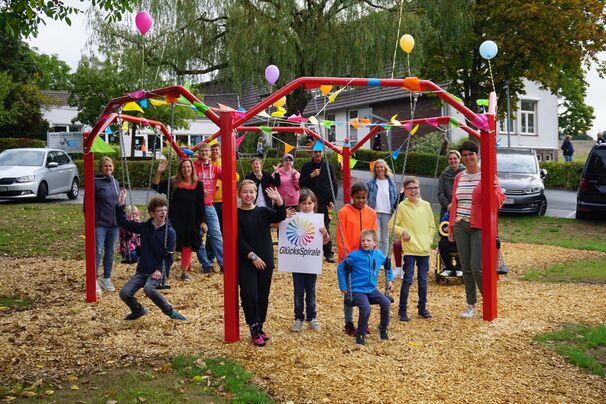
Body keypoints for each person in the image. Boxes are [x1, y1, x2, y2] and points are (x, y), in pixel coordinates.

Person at [448, 141, 506, 319]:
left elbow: (499, 202)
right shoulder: (460, 177)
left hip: (479, 226)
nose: (467, 158)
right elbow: (455, 202)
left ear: (477, 155)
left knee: (477, 267)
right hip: (460, 224)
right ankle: (471, 305)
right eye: (464, 155)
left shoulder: (487, 175)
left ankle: (489, 300)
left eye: (470, 154)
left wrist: (495, 191)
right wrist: (451, 226)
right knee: (465, 267)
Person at [116, 191, 186, 321]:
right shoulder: (145, 228)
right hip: (143, 270)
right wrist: (120, 204)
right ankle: (138, 310)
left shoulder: (170, 232)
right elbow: (123, 223)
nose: (163, 213)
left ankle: (170, 312)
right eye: (159, 210)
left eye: (165, 210)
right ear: (152, 213)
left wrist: (160, 270)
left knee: (149, 289)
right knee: (124, 293)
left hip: (159, 270)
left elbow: (169, 257)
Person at [237, 180, 289, 346]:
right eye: (245, 192)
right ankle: (253, 327)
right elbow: (237, 239)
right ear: (239, 194)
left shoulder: (262, 212)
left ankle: (260, 325)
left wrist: (279, 201)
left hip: (265, 260)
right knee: (249, 293)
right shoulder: (236, 214)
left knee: (263, 294)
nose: (248, 195)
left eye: (251, 192)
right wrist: (252, 256)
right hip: (247, 260)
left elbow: (280, 216)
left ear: (256, 194)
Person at [388, 176, 436, 321]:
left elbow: (432, 226)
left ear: (419, 189)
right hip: (409, 250)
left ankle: (422, 308)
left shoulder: (426, 205)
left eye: (416, 188)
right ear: (405, 191)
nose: (413, 191)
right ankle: (402, 310)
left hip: (424, 250)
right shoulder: (402, 206)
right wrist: (402, 232)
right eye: (410, 189)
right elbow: (392, 225)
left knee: (423, 281)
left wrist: (428, 241)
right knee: (407, 279)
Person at [153, 158, 206, 282]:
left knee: (187, 247)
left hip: (191, 220)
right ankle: (163, 270)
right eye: (183, 167)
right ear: (180, 169)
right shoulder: (173, 182)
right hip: (175, 220)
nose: (186, 169)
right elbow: (156, 186)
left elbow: (201, 205)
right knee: (170, 245)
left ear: (192, 169)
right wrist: (159, 172)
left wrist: (203, 221)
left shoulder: (198, 184)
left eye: (188, 167)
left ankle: (184, 272)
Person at [337, 229, 393, 345]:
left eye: (368, 240)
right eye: (363, 241)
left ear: (374, 243)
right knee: (366, 308)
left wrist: (390, 280)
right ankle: (360, 334)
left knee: (386, 302)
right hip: (357, 290)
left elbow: (388, 265)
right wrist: (343, 286)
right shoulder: (354, 255)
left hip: (371, 289)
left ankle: (383, 329)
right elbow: (340, 268)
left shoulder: (378, 255)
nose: (365, 243)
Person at [336, 182, 377, 336]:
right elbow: (341, 236)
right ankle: (348, 322)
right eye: (358, 197)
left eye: (363, 198)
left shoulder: (371, 213)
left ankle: (363, 322)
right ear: (352, 197)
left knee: (364, 291)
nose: (361, 200)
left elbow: (373, 235)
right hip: (350, 259)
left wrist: (374, 255)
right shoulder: (344, 212)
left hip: (365, 259)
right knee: (349, 292)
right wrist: (347, 257)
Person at [291, 189, 330, 333]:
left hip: (311, 261)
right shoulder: (294, 218)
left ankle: (312, 317)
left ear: (314, 204)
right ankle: (298, 318)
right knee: (298, 291)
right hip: (297, 261)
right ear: (299, 204)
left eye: (309, 203)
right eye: (304, 203)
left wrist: (324, 233)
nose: (307, 206)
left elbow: (326, 241)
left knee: (311, 291)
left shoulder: (318, 220)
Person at [299, 145, 338, 263]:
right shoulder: (306, 166)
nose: (318, 154)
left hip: (324, 203)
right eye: (316, 152)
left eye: (320, 152)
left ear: (323, 152)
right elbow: (301, 184)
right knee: (308, 227)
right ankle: (309, 250)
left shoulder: (328, 166)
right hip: (309, 204)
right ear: (312, 152)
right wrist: (311, 175)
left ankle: (328, 252)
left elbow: (334, 184)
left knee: (324, 227)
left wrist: (332, 199)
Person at [194, 143, 224, 274]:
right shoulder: (194, 167)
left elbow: (231, 177)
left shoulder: (215, 168)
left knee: (216, 234)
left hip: (209, 205)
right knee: (198, 235)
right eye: (202, 151)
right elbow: (185, 182)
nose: (205, 153)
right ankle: (206, 264)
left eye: (207, 150)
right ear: (198, 153)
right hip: (194, 206)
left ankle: (223, 263)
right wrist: (198, 191)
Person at [93, 156, 120, 295]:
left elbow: (118, 203)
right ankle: (93, 279)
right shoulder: (95, 182)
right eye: (105, 166)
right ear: (101, 168)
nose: (108, 168)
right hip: (100, 223)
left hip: (114, 224)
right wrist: (90, 220)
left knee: (110, 251)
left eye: (110, 166)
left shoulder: (116, 182)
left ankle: (106, 278)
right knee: (97, 251)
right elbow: (88, 204)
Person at [366, 159, 397, 254]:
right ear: (375, 169)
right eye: (377, 167)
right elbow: (366, 196)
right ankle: (376, 256)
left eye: (381, 167)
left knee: (385, 238)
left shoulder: (391, 182)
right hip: (374, 212)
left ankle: (383, 258)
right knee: (376, 237)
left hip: (387, 212)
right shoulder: (370, 183)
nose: (379, 169)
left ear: (385, 168)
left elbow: (394, 197)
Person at [437, 150, 465, 218]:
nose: (452, 161)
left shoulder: (465, 173)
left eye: (455, 158)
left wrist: (458, 205)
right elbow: (441, 193)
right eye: (450, 159)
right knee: (444, 227)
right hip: (447, 208)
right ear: (448, 161)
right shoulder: (444, 175)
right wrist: (449, 206)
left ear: (459, 159)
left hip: (462, 207)